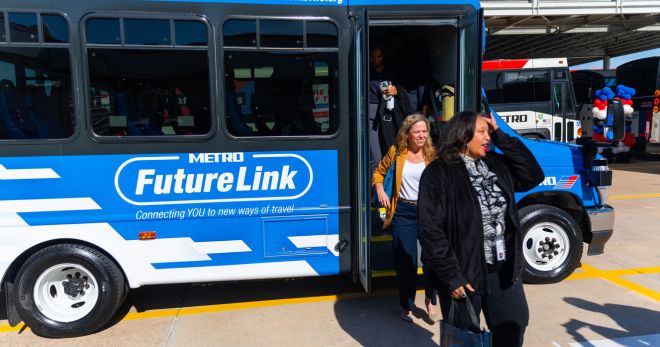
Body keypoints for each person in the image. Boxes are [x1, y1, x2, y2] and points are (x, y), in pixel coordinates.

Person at [417, 111, 544, 347]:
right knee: (465, 337)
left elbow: (533, 175)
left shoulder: (496, 164)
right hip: (465, 273)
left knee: (514, 326)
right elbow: (430, 230)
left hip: (503, 269)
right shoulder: (438, 173)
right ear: (463, 135)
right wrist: (451, 276)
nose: (488, 137)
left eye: (489, 132)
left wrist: (501, 136)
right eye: (482, 131)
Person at [372, 113, 439, 323]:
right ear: (407, 134)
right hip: (402, 211)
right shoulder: (396, 152)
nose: (421, 135)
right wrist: (381, 190)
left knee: (432, 259)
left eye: (424, 131)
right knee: (406, 261)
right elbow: (378, 173)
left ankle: (431, 298)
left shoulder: (432, 155)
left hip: (428, 212)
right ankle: (406, 303)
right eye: (417, 131)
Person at [368, 46, 413, 174]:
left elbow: (404, 91)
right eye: (373, 57)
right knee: (376, 158)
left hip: (389, 113)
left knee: (391, 152)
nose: (376, 60)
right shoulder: (365, 69)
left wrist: (396, 90)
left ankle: (389, 188)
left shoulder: (393, 71)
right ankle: (376, 191)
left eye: (379, 56)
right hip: (371, 113)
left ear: (384, 56)